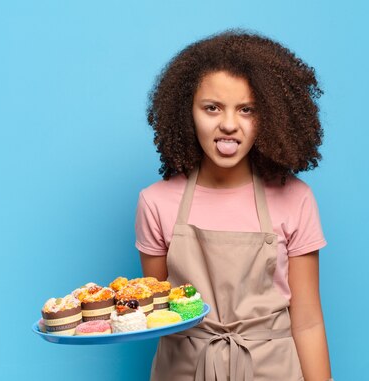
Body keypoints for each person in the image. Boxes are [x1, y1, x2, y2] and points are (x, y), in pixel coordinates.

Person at [135, 30, 332, 381]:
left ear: (270, 116)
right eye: (212, 108)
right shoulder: (156, 202)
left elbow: (308, 321)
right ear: (186, 112)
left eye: (246, 110)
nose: (228, 124)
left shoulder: (295, 199)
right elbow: (158, 313)